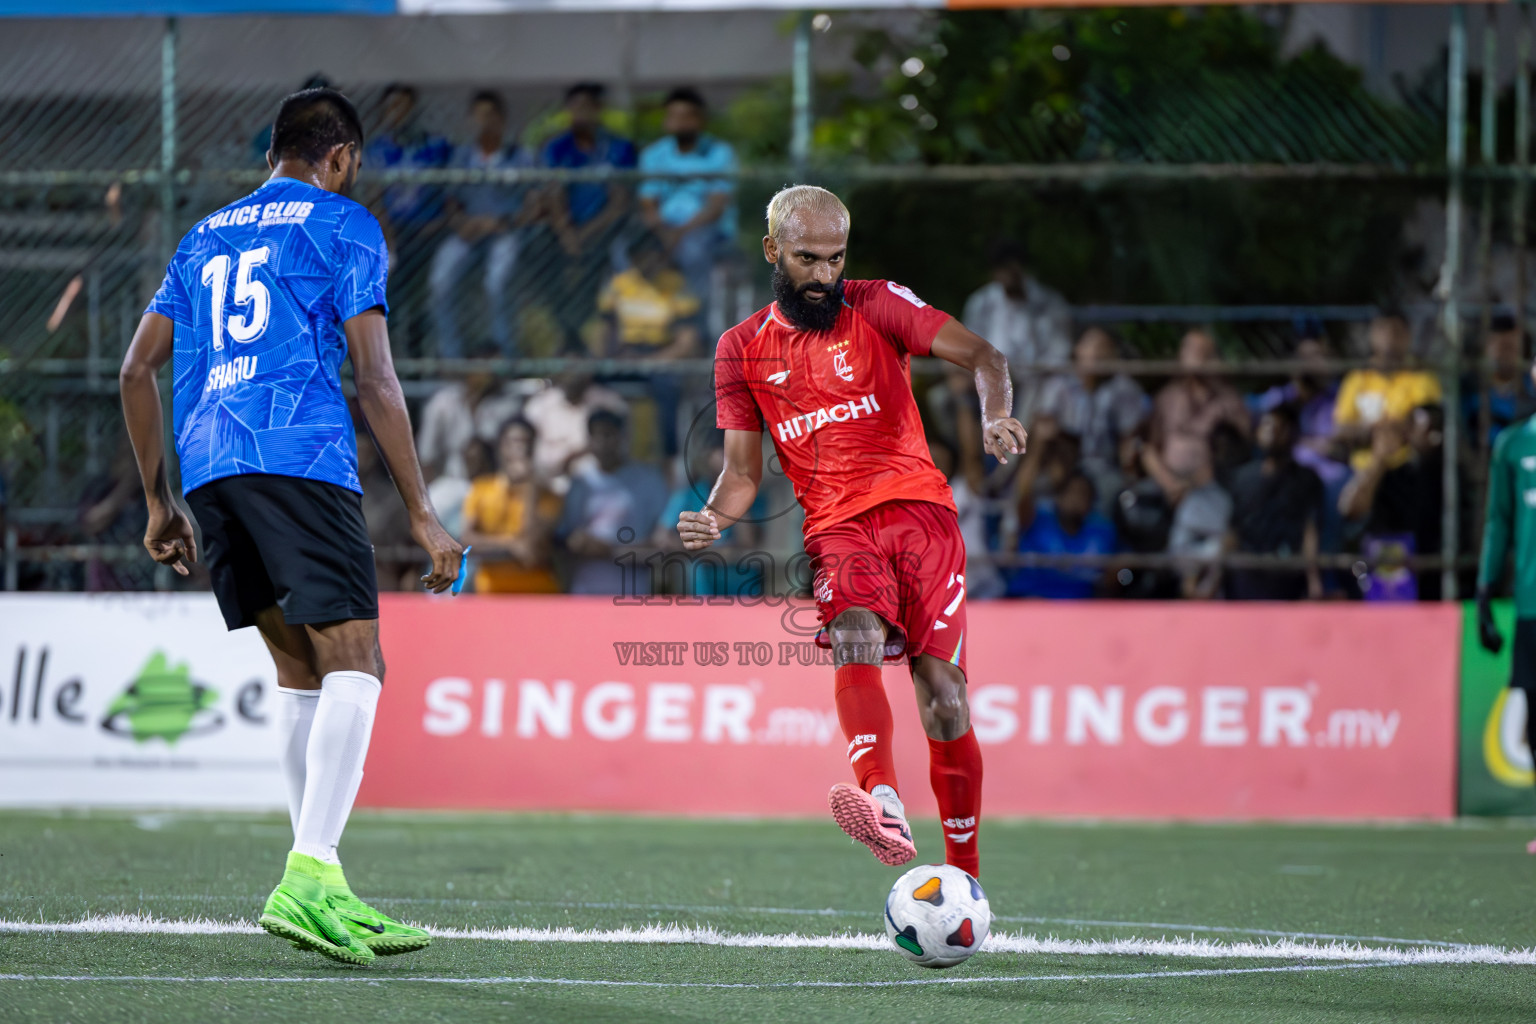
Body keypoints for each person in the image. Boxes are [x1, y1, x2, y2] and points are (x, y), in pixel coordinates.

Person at [118, 87, 461, 967]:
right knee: (358, 660)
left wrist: (160, 501)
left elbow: (135, 370)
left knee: (301, 673)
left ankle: (326, 880)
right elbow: (377, 380)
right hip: (297, 455)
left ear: (273, 150)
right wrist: (423, 512)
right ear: (340, 156)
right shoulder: (344, 224)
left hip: (212, 468)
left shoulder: (202, 236)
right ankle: (309, 872)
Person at [679, 185, 1028, 880]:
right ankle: (884, 799)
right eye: (807, 259)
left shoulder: (879, 304)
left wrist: (995, 416)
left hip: (922, 515)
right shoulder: (740, 349)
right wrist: (714, 515)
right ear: (772, 250)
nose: (823, 275)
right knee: (853, 631)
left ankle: (965, 878)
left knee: (945, 695)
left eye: (835, 259)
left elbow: (987, 357)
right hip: (837, 525)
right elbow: (743, 473)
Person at [1475, 367, 1536, 851]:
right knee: (1534, 714)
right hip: (1531, 600)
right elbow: (1498, 521)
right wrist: (1483, 592)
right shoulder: (1512, 446)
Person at [430, 91, 534, 357]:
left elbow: (536, 203)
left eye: (489, 116)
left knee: (497, 284)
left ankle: (504, 357)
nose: (483, 122)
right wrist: (461, 223)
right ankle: (452, 358)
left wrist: (505, 221)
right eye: (478, 117)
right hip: (469, 233)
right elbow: (451, 201)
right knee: (440, 280)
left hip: (506, 232)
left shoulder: (519, 155)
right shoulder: (462, 156)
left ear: (502, 120)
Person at [542, 83, 638, 352]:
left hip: (607, 228)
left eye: (586, 107)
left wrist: (583, 235)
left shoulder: (618, 147)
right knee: (535, 250)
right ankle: (566, 333)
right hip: (563, 231)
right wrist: (566, 233)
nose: (580, 113)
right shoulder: (556, 147)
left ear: (598, 110)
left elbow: (620, 203)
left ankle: (609, 347)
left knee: (610, 268)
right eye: (574, 108)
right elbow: (553, 194)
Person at [638, 87, 738, 329]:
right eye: (674, 116)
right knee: (626, 252)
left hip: (706, 229)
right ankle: (643, 327)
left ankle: (698, 325)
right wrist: (662, 233)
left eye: (687, 116)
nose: (680, 123)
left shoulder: (719, 153)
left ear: (700, 119)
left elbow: (716, 205)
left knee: (693, 251)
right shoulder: (654, 154)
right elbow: (648, 203)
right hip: (663, 228)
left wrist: (678, 235)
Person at [1339, 404, 1449, 601]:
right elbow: (1350, 509)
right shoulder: (1395, 476)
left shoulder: (1453, 478)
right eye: (1426, 430)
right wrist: (1380, 457)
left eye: (1440, 431)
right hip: (1393, 583)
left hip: (1438, 578)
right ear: (1408, 434)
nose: (1435, 438)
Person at [1034, 325, 1149, 508]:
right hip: (1064, 463)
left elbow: (1129, 437)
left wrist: (1129, 472)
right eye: (1090, 345)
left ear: (1113, 355)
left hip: (1105, 466)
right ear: (1077, 349)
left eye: (1103, 347)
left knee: (1116, 494)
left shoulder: (1123, 388)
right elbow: (1043, 426)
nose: (1096, 353)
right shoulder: (1059, 385)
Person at [557, 408, 669, 594]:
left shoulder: (649, 481)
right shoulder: (580, 483)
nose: (602, 443)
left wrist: (610, 551)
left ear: (622, 437)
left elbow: (660, 543)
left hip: (632, 592)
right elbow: (566, 536)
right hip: (585, 593)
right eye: (595, 436)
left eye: (608, 435)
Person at [961, 240, 1072, 422]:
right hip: (990, 375)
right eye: (1002, 268)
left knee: (1041, 394)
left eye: (1012, 266)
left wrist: (1027, 370)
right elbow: (968, 345)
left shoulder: (1049, 302)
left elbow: (1060, 352)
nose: (1008, 273)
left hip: (1035, 377)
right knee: (949, 396)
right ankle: (966, 451)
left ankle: (1015, 448)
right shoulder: (981, 302)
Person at [1006, 418, 1116, 600]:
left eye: (1083, 495)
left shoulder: (1103, 532)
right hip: (1031, 600)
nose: (1076, 500)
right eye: (1071, 493)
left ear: (1091, 504)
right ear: (1059, 497)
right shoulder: (1037, 519)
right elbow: (1023, 491)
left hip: (1082, 610)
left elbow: (1111, 579)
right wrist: (1038, 446)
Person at [1226, 404, 1323, 601]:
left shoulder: (1306, 479)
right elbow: (1231, 531)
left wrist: (1313, 579)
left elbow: (1310, 529)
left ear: (1293, 434)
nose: (1273, 432)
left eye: (1281, 427)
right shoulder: (1241, 478)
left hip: (1289, 575)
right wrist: (1215, 577)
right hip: (1248, 572)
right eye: (1267, 425)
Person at [462, 418, 562, 593]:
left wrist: (530, 486)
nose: (521, 449)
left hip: (538, 592)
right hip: (491, 591)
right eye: (514, 442)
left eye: (527, 443)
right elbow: (467, 539)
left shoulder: (548, 495)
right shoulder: (481, 488)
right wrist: (509, 544)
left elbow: (532, 545)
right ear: (501, 447)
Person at [1334, 311, 1442, 472]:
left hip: (1408, 469)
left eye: (1396, 332)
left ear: (1407, 336)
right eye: (1382, 330)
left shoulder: (1423, 379)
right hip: (1359, 469)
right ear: (1372, 335)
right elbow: (1342, 429)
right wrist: (1381, 430)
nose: (1389, 337)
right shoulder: (1356, 379)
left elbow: (1424, 427)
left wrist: (1379, 431)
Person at [1148, 327, 1251, 493]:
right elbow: (1150, 448)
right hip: (1166, 485)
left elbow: (1242, 446)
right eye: (1191, 349)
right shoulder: (1167, 397)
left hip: (1213, 484)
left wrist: (1207, 475)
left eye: (1203, 351)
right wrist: (1168, 483)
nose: (1196, 356)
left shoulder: (1229, 400)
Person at [520, 370, 628, 490]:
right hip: (546, 486)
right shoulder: (540, 405)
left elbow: (618, 422)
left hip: (594, 489)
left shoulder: (605, 401)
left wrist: (577, 454)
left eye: (578, 368)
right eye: (569, 368)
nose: (573, 376)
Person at [1466, 313, 1536, 447]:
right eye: (1496, 345)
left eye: (1510, 346)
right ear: (1483, 349)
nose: (1503, 354)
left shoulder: (1532, 388)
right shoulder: (1469, 390)